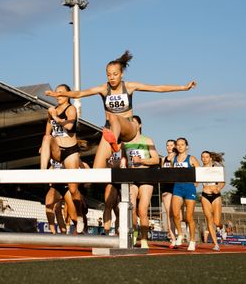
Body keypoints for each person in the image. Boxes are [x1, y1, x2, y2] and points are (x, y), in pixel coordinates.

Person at [45, 50, 196, 168]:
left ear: (122, 74)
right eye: (108, 74)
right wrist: (59, 93)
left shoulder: (129, 86)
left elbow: (158, 88)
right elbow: (80, 93)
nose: (111, 77)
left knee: (114, 117)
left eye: (115, 74)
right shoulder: (104, 89)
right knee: (97, 170)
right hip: (110, 129)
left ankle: (115, 145)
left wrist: (183, 87)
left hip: (128, 128)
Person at [38, 84, 84, 234]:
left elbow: (70, 126)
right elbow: (48, 130)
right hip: (58, 151)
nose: (58, 95)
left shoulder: (71, 109)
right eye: (56, 93)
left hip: (70, 151)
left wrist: (56, 117)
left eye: (62, 93)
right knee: (46, 138)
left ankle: (79, 215)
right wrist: (45, 146)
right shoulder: (51, 111)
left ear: (68, 95)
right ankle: (42, 173)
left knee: (73, 189)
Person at [122, 115, 160, 249]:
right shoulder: (125, 143)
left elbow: (156, 159)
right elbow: (123, 159)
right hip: (132, 177)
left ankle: (144, 239)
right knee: (131, 209)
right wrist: (122, 164)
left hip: (146, 177)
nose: (131, 125)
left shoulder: (147, 140)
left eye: (134, 123)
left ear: (139, 125)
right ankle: (134, 234)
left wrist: (142, 161)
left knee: (142, 211)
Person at [171, 137, 200, 251]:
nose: (180, 146)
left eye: (182, 144)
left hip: (189, 188)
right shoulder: (174, 159)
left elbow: (199, 171)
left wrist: (197, 182)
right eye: (178, 144)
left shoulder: (191, 158)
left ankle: (192, 240)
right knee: (176, 214)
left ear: (186, 146)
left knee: (189, 217)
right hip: (178, 187)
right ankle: (180, 234)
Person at [201, 150, 225, 251]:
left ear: (210, 158)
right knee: (209, 220)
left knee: (216, 221)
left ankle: (221, 226)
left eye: (207, 157)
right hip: (205, 195)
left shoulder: (217, 169)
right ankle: (216, 244)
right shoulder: (200, 170)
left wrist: (218, 188)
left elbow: (222, 182)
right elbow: (197, 182)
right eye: (203, 157)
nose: (204, 159)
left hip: (216, 196)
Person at [161, 139, 181, 248]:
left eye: (171, 145)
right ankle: (173, 238)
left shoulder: (178, 158)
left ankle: (180, 234)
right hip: (166, 187)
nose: (169, 147)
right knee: (169, 213)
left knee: (177, 213)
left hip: (177, 186)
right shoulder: (163, 159)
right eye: (167, 145)